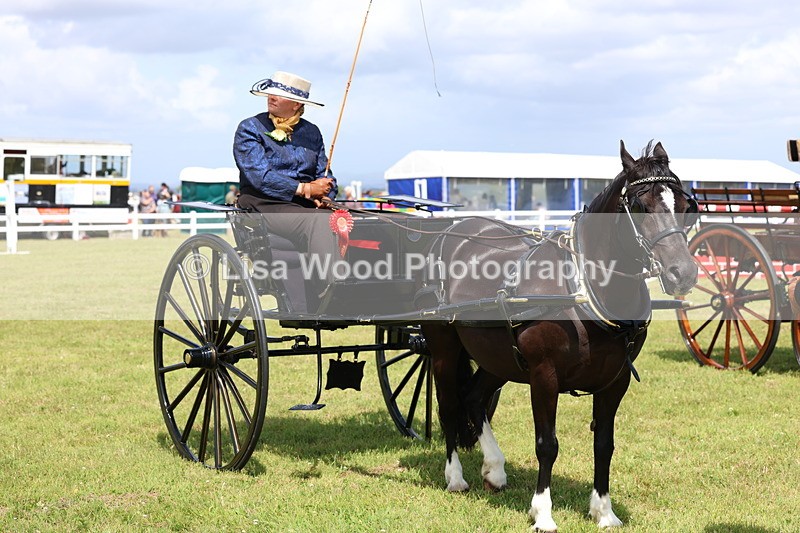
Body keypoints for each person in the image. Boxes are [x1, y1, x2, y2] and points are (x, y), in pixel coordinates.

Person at [233, 70, 339, 303]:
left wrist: (326, 193)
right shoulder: (250, 128)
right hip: (264, 203)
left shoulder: (311, 132)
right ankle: (331, 286)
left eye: (279, 94)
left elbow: (325, 173)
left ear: (297, 104)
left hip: (303, 205)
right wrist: (304, 189)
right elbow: (260, 176)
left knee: (354, 219)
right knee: (319, 222)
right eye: (271, 92)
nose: (272, 97)